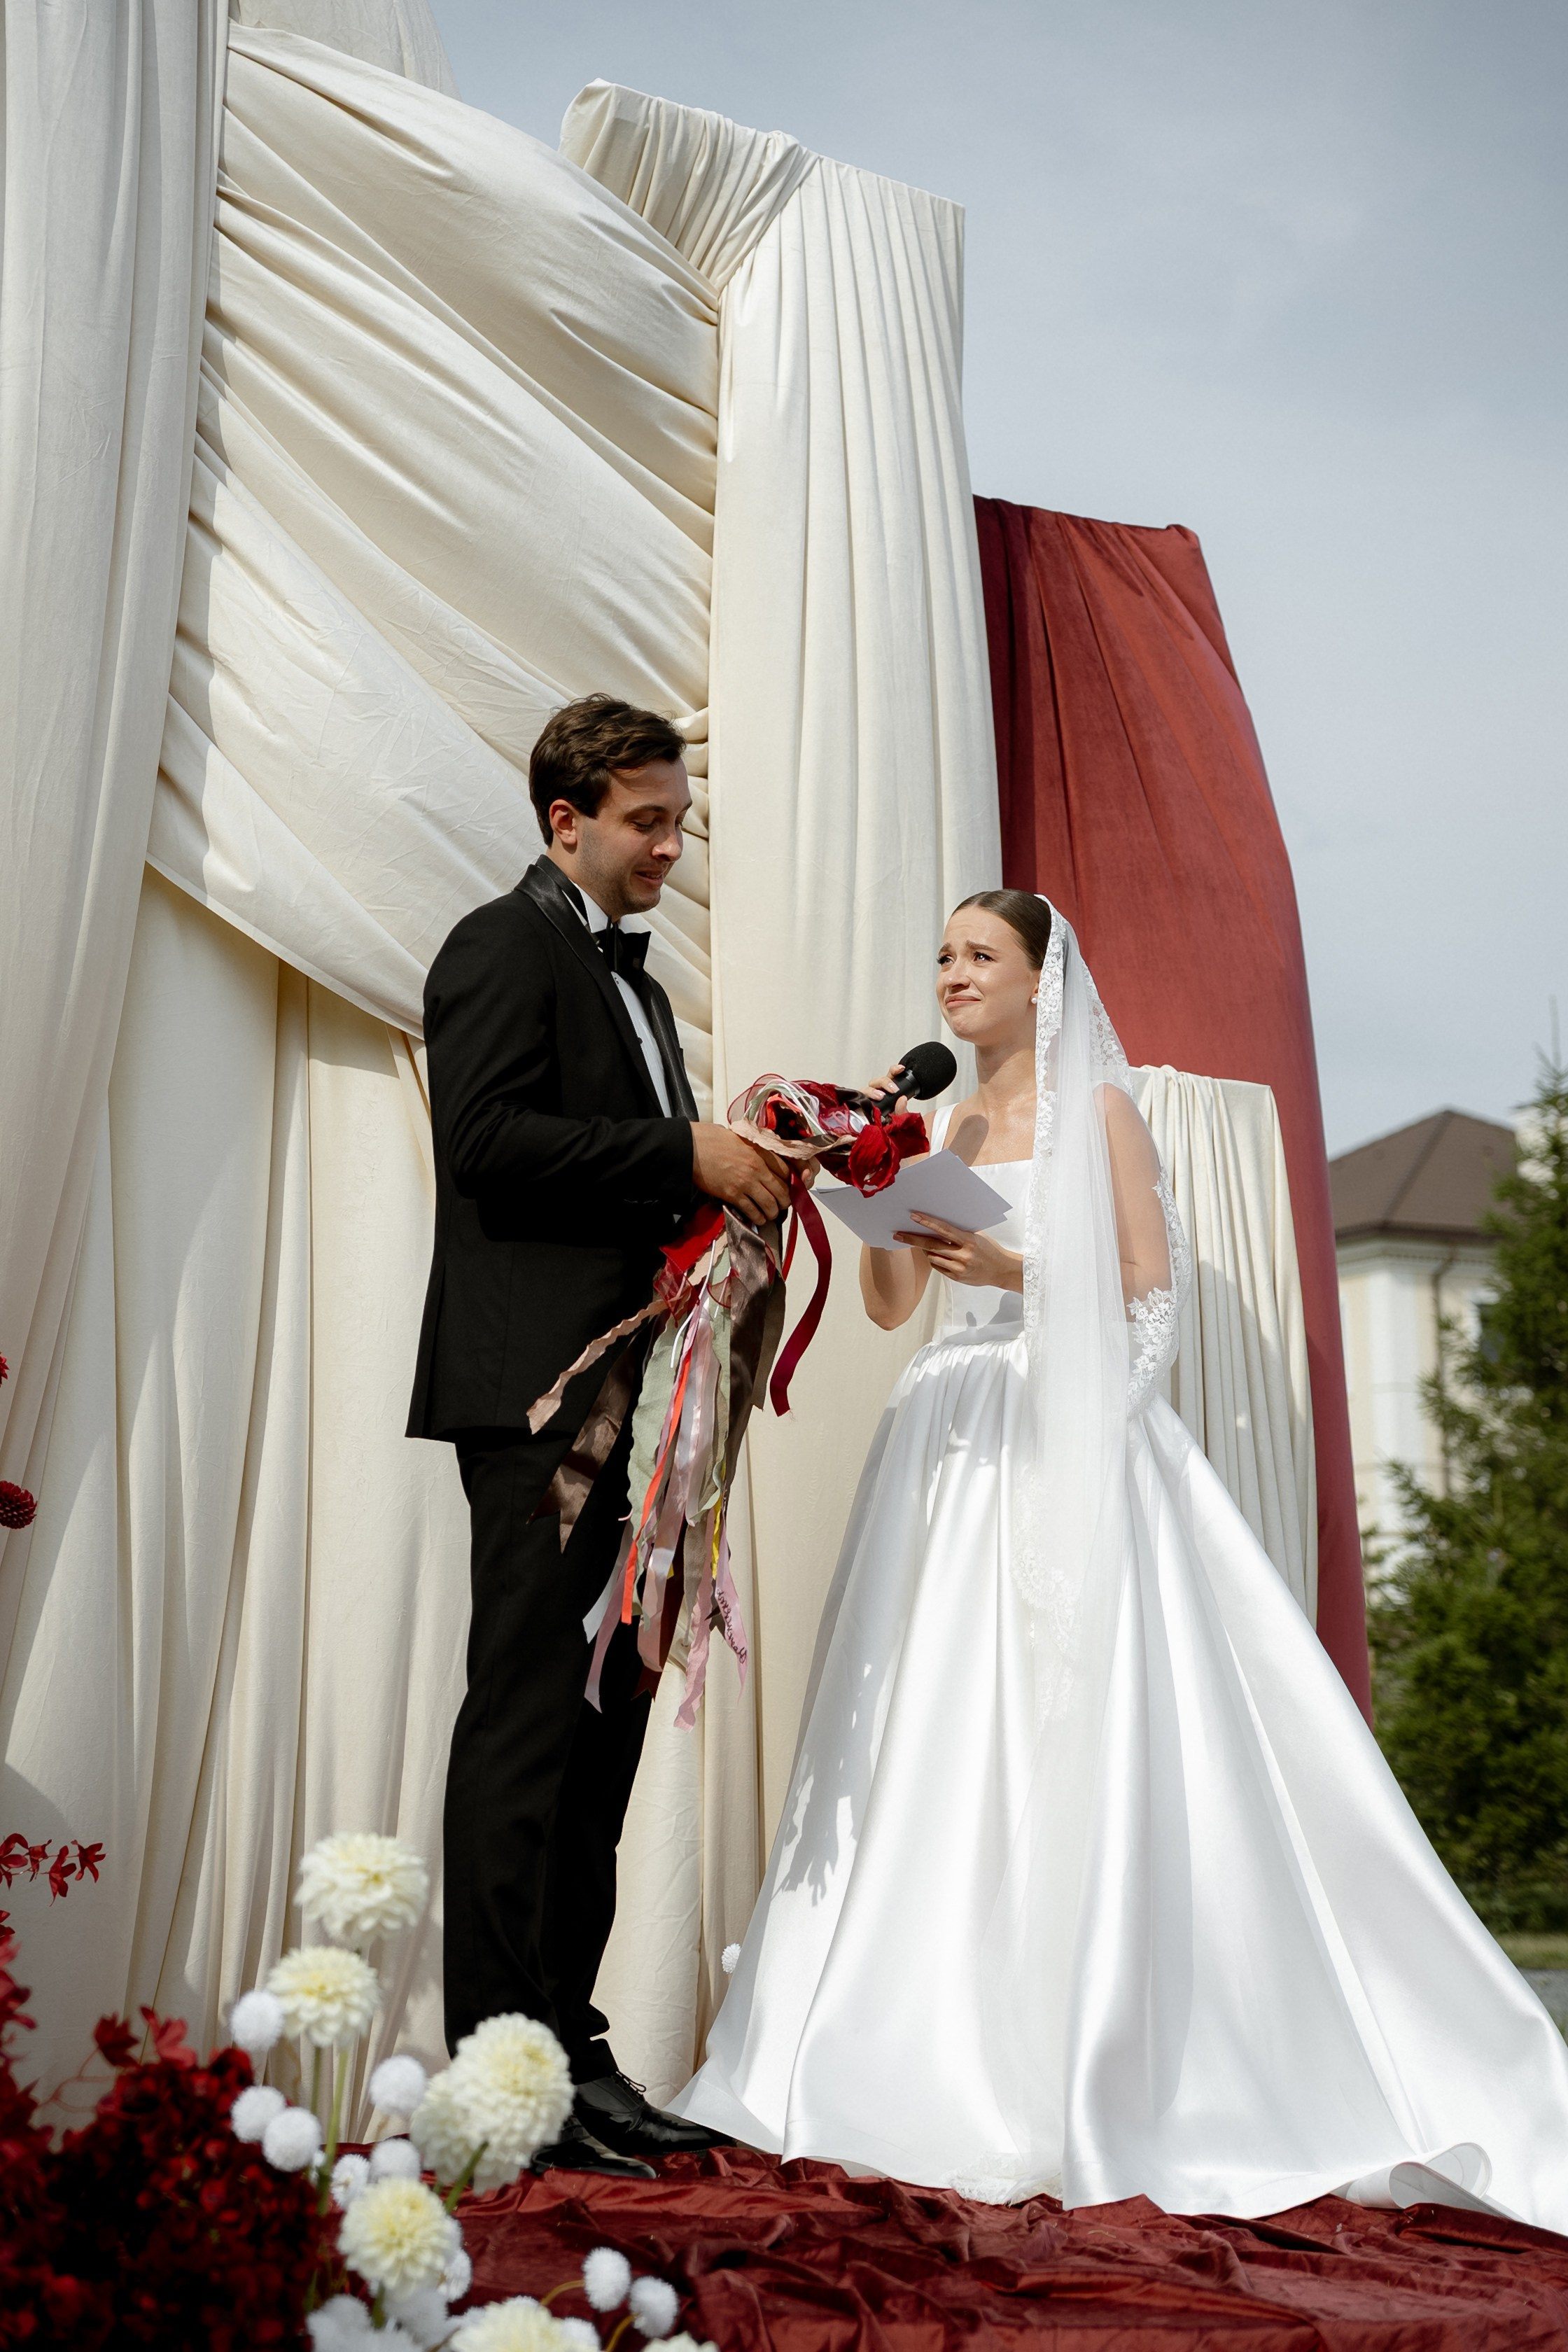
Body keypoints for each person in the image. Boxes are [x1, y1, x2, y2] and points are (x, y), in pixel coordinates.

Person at [670, 888, 1568, 2225]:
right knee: (934, 1729)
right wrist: (875, 1181)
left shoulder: (1100, 1113)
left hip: (1064, 1427)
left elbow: (1154, 1300)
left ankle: (1103, 2045)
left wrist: (1015, 1269)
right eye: (943, 958)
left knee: (1074, 1720)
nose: (952, 976)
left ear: (1043, 983)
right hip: (949, 1436)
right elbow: (893, 1301)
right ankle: (905, 2028)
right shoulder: (943, 1124)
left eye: (979, 957)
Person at [409, 694, 790, 2176]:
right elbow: (483, 1143)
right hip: (538, 1400)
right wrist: (674, 1149)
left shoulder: (636, 981)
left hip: (642, 1402)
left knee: (600, 1724)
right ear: (565, 820)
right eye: (648, 821)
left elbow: (619, 1182)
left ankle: (568, 2049)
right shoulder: (500, 945)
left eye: (678, 820)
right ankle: (500, 2074)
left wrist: (738, 1177)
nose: (670, 848)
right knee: (520, 1722)